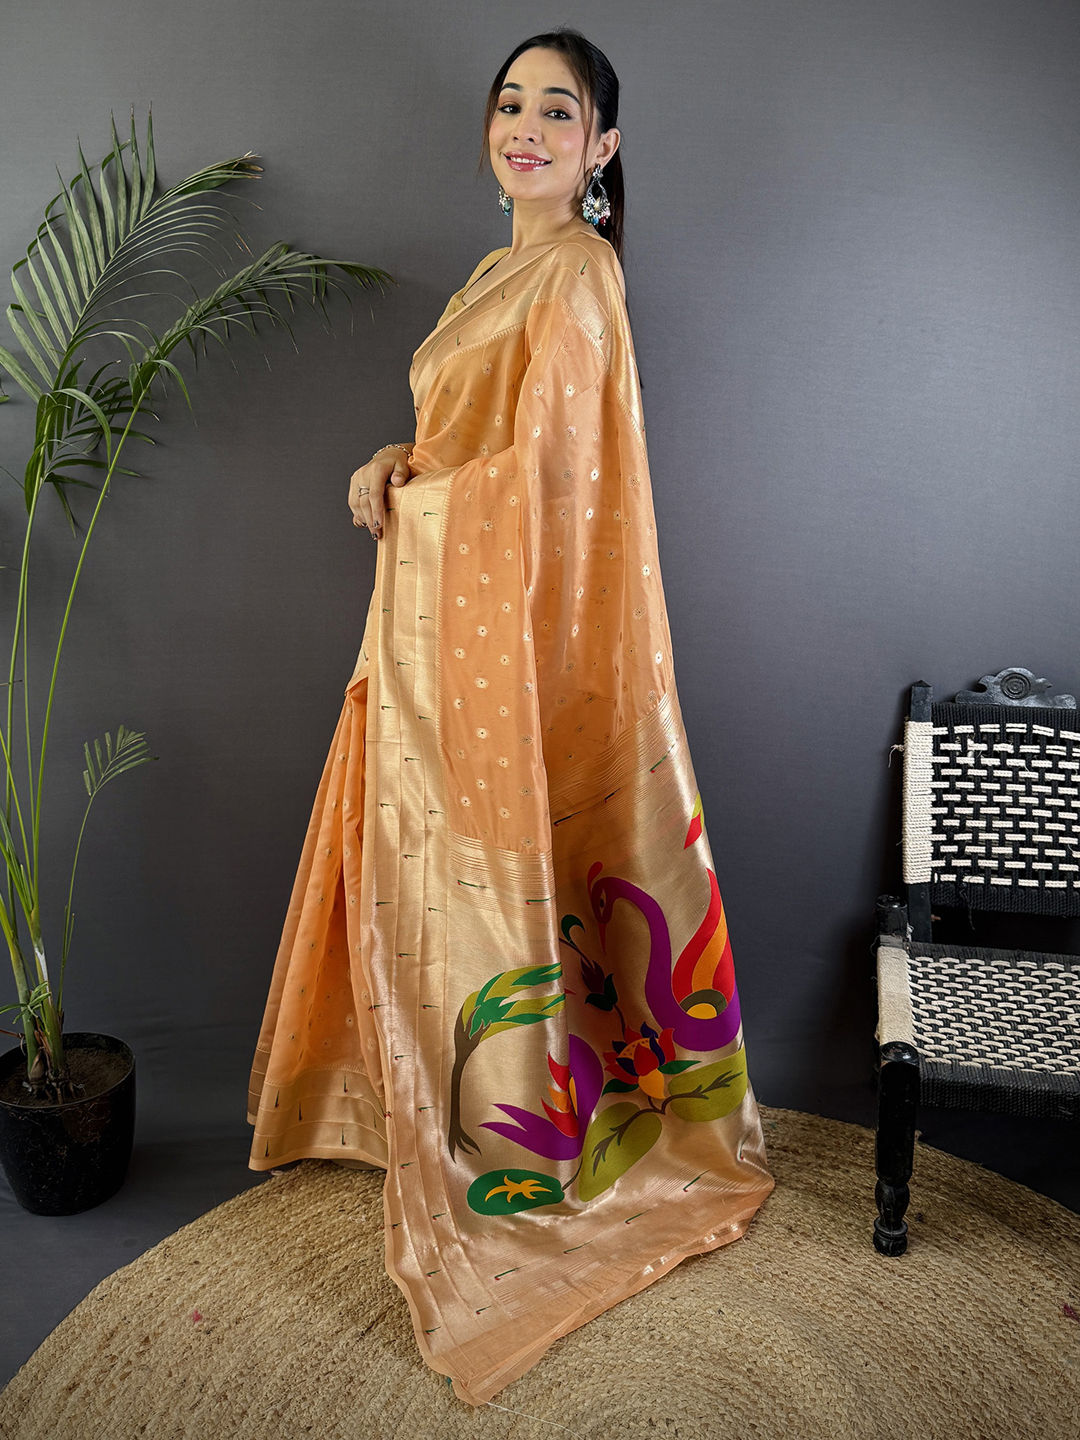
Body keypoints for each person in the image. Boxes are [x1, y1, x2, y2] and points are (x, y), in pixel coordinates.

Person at [246, 27, 774, 1407]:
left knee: (499, 875)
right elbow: (468, 444)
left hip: (507, 637)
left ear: (603, 148)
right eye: (510, 104)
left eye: (558, 110)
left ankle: (517, 1145)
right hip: (439, 624)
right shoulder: (498, 272)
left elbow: (544, 480)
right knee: (418, 865)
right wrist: (394, 461)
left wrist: (423, 498)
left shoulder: (580, 272)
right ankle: (431, 1112)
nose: (525, 127)